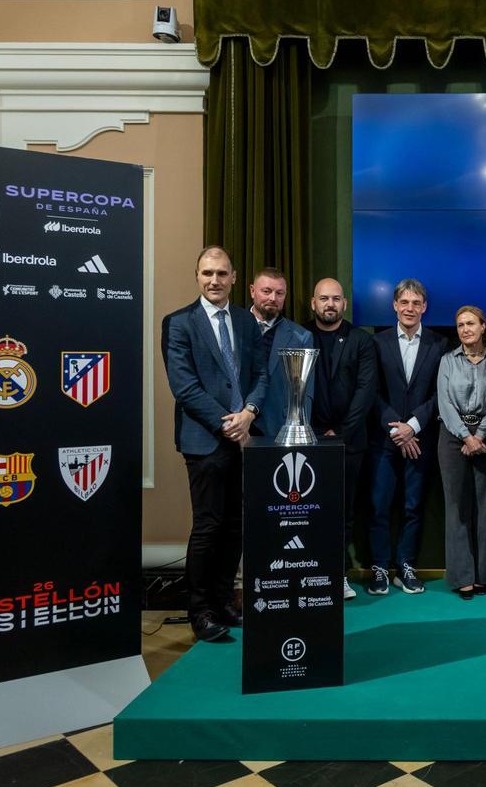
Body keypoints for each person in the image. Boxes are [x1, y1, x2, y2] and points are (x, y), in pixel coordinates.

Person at [161, 246, 267, 642]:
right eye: (207, 273)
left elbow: (262, 375)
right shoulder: (178, 323)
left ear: (234, 278)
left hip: (245, 438)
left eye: (222, 273)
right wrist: (229, 424)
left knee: (237, 526)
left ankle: (224, 602)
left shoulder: (245, 321)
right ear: (197, 276)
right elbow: (184, 387)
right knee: (208, 526)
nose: (214, 280)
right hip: (204, 440)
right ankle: (201, 611)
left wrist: (250, 412)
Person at [369, 279, 447, 595]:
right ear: (395, 306)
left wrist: (412, 426)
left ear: (424, 307)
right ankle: (378, 568)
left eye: (416, 303)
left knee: (413, 506)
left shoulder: (439, 344)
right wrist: (396, 428)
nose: (410, 308)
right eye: (404, 302)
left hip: (420, 440)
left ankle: (405, 565)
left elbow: (439, 394)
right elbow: (371, 392)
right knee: (379, 506)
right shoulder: (377, 342)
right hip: (384, 440)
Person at [306, 278, 377, 601]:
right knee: (309, 511)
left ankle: (339, 574)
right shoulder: (299, 336)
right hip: (308, 440)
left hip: (350, 442)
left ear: (344, 304)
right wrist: (318, 432)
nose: (330, 304)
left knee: (345, 512)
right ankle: (310, 572)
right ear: (313, 303)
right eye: (324, 298)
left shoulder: (361, 341)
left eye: (336, 299)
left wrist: (342, 433)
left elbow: (365, 391)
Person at [436, 306, 486, 599]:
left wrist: (481, 434)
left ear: (483, 326)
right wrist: (465, 436)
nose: (465, 329)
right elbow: (445, 402)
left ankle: (483, 575)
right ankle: (463, 577)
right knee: (457, 508)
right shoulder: (447, 361)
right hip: (452, 439)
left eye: (471, 323)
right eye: (460, 325)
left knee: (485, 508)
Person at [249, 267, 314, 437]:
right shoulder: (232, 327)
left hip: (278, 428)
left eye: (280, 293)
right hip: (235, 427)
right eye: (266, 291)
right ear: (252, 291)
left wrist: (299, 430)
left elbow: (305, 392)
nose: (273, 298)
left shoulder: (301, 337)